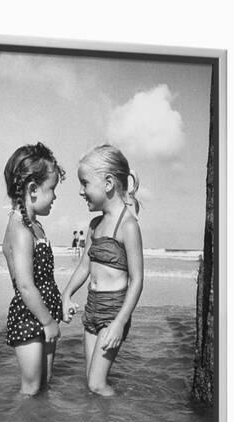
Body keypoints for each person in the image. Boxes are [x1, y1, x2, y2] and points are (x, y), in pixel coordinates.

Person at [62, 144, 143, 396]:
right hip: (92, 308)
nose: (81, 191)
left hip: (113, 311)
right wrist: (66, 295)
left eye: (85, 183)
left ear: (108, 183)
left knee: (97, 384)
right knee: (90, 381)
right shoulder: (95, 225)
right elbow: (84, 266)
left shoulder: (127, 225)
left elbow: (137, 280)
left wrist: (120, 322)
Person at [3, 142, 65, 395]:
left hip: (45, 311)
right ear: (32, 189)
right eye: (52, 189)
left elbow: (44, 278)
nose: (55, 196)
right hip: (31, 316)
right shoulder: (19, 229)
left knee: (45, 381)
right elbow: (26, 285)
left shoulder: (35, 226)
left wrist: (59, 306)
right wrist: (48, 321)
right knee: (30, 387)